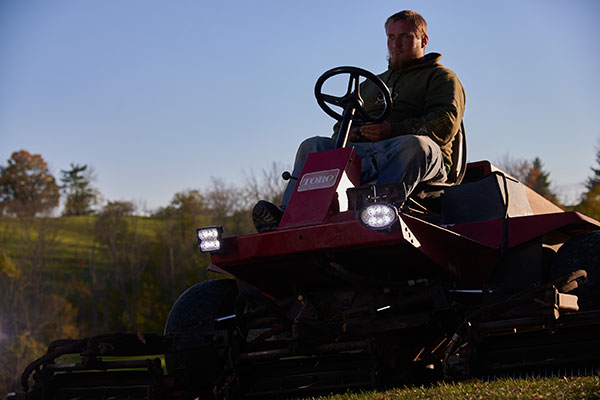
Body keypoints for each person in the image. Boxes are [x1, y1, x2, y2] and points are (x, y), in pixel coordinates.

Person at [253, 10, 466, 232]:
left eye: (404, 36)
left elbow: (444, 123)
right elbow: (341, 125)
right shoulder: (369, 85)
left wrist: (392, 130)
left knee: (415, 145)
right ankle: (288, 217)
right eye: (391, 37)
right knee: (313, 146)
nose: (396, 44)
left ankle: (378, 210)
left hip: (415, 158)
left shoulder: (441, 77)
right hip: (366, 154)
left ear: (423, 40)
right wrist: (350, 132)